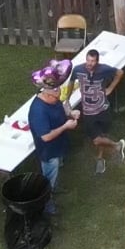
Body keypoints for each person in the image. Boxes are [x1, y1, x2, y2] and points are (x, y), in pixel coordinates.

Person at [26, 78, 79, 212]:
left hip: (59, 145)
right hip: (48, 151)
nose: (58, 99)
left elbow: (60, 106)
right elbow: (46, 136)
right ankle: (47, 204)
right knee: (49, 177)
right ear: (47, 94)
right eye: (56, 97)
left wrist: (70, 113)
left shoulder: (53, 100)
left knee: (56, 172)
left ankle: (55, 187)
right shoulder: (38, 111)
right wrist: (65, 126)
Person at [73, 49, 125, 173]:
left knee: (101, 134)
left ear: (97, 61)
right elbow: (71, 81)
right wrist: (67, 99)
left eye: (92, 61)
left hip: (102, 108)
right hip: (88, 111)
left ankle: (100, 158)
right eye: (88, 60)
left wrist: (110, 88)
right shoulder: (78, 69)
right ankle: (117, 145)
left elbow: (120, 72)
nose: (89, 63)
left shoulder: (104, 69)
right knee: (96, 140)